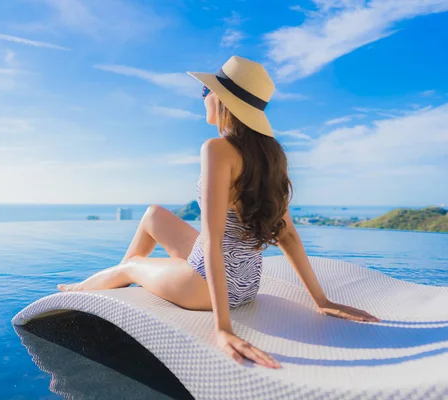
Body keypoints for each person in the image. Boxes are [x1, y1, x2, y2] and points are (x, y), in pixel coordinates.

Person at [57, 56, 380, 369]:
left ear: (221, 99)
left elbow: (212, 239)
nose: (203, 98)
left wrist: (222, 327)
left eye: (205, 91)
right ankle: (121, 297)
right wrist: (321, 300)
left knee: (131, 265)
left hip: (206, 287)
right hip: (247, 282)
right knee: (153, 215)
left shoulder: (216, 149)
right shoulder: (272, 155)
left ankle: (87, 289)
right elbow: (289, 235)